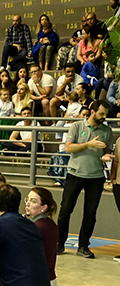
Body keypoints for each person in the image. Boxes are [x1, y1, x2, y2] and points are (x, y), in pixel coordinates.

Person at [57, 100, 114, 258]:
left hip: (96, 176)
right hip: (75, 174)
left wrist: (106, 155)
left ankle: (83, 246)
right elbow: (68, 147)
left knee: (90, 213)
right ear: (92, 111)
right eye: (101, 113)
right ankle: (59, 243)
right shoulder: (77, 126)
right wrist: (88, 144)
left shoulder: (107, 130)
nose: (104, 117)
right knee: (65, 210)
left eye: (105, 114)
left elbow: (107, 150)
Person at [24, 187, 58, 286]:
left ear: (44, 207)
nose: (28, 203)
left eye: (33, 201)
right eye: (27, 199)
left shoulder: (36, 228)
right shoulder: (49, 224)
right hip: (50, 280)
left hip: (39, 283)